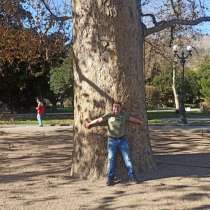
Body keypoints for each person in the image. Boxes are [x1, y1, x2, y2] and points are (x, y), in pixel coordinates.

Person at [85, 101, 143, 186]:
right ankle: (110, 179)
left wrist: (139, 122)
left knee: (127, 159)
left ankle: (132, 177)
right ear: (113, 108)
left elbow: (131, 119)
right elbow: (99, 120)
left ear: (120, 108)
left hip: (123, 140)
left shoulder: (124, 115)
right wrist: (90, 123)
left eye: (118, 107)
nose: (116, 108)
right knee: (111, 159)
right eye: (114, 107)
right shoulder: (109, 115)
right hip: (112, 141)